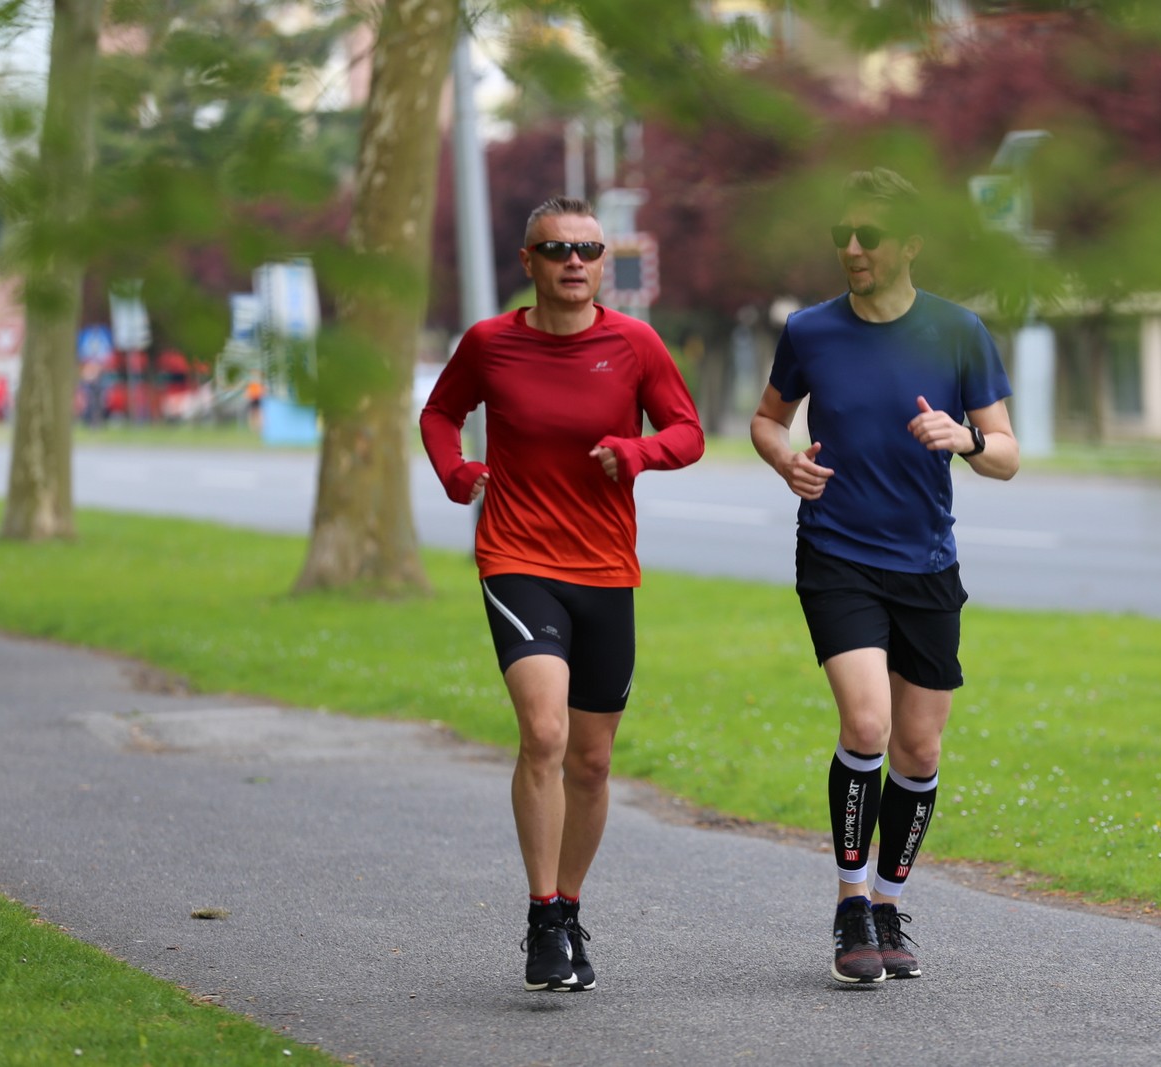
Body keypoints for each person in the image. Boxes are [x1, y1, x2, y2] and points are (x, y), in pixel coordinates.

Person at [420, 195, 704, 992]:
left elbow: (689, 431)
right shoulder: (490, 344)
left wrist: (638, 452)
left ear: (603, 262)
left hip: (607, 569)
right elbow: (441, 414)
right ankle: (543, 914)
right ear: (529, 263)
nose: (573, 261)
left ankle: (571, 903)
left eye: (587, 248)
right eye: (556, 249)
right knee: (543, 731)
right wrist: (456, 473)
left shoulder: (635, 343)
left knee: (592, 756)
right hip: (517, 557)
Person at [750, 167, 1020, 984]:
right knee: (866, 726)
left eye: (869, 236)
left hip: (927, 563)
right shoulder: (809, 330)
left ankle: (893, 903)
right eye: (842, 236)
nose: (854, 248)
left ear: (911, 244)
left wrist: (964, 441)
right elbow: (766, 419)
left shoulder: (959, 331)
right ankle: (850, 901)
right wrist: (784, 459)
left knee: (919, 744)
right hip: (836, 553)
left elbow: (1006, 452)